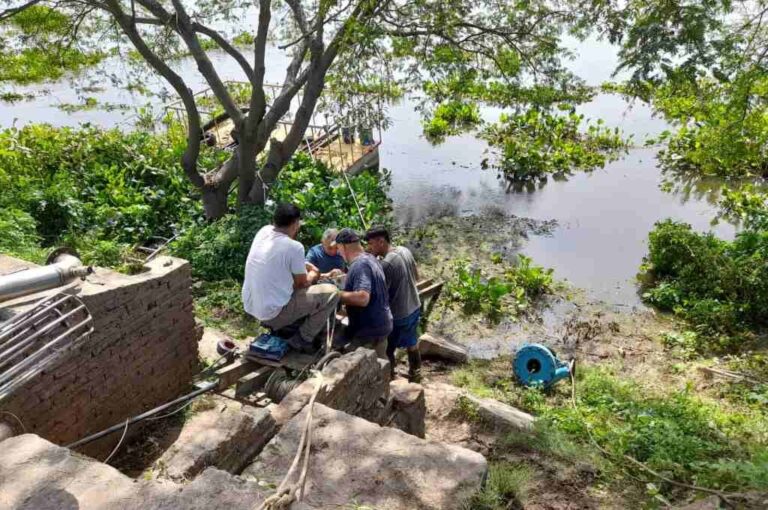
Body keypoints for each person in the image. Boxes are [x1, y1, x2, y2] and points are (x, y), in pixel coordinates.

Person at [242, 203, 339, 352]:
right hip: (272, 314)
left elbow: (277, 259)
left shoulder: (263, 231)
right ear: (295, 223)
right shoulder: (295, 247)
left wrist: (302, 264)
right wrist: (314, 273)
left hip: (251, 306)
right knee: (332, 293)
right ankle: (303, 338)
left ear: (274, 220)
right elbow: (302, 283)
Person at [364, 226, 423, 382]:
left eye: (371, 244)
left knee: (388, 348)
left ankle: (390, 378)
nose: (369, 248)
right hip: (415, 306)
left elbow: (379, 296)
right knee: (412, 341)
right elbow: (417, 276)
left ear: (381, 241)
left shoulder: (387, 264)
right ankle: (416, 372)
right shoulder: (405, 250)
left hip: (399, 314)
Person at [335, 228, 392, 359]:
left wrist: (334, 294)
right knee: (380, 363)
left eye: (338, 248)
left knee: (351, 367)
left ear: (344, 247)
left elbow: (363, 298)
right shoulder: (370, 258)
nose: (338, 252)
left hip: (370, 331)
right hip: (381, 324)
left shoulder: (360, 265)